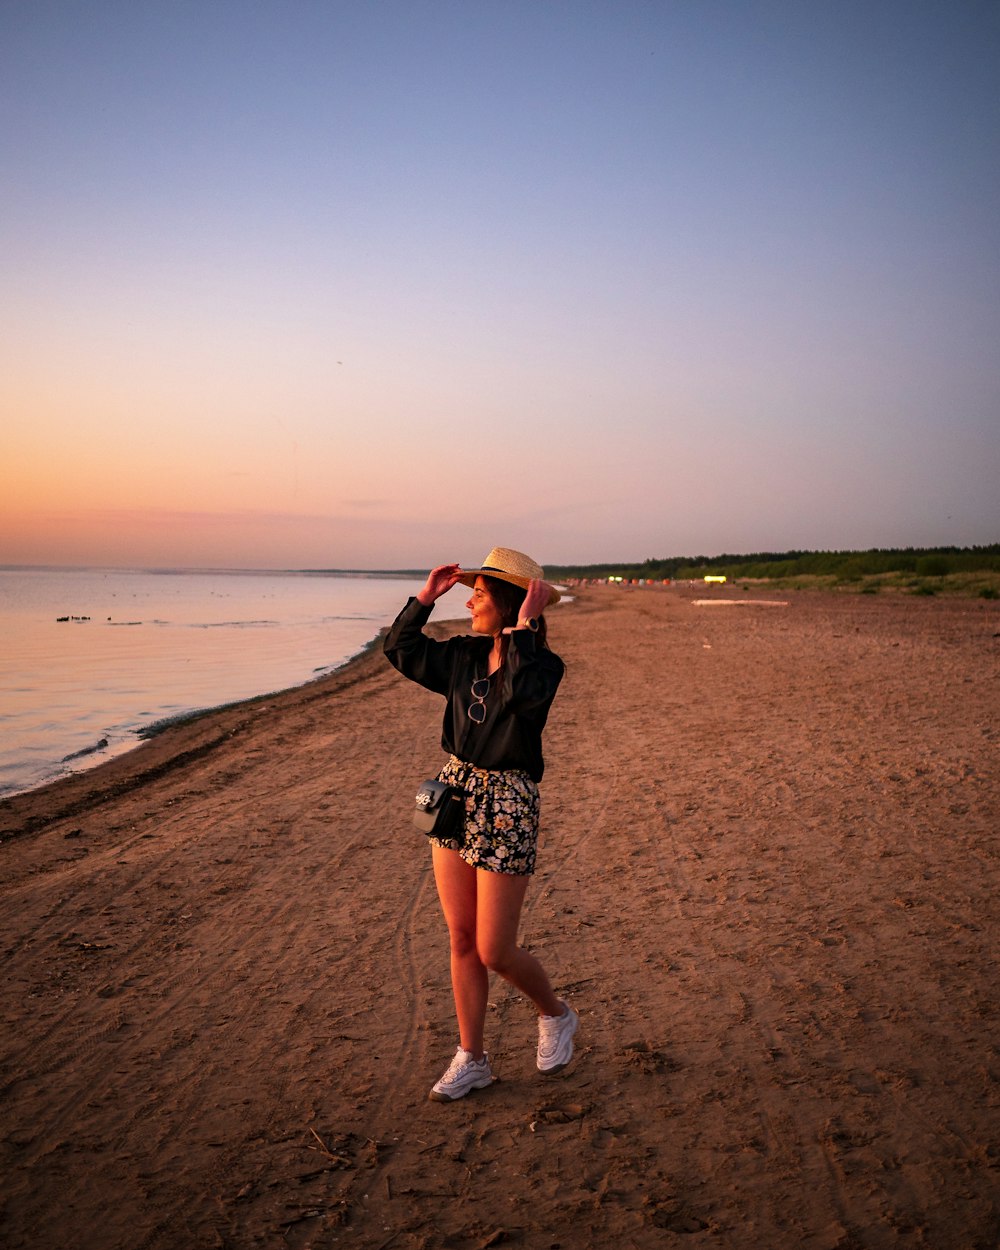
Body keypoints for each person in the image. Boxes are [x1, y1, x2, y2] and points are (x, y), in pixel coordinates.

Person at [384, 546, 578, 1102]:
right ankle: (472, 1057)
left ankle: (556, 1014)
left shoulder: (543, 665)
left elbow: (519, 694)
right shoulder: (463, 656)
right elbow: (399, 649)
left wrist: (523, 629)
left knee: (496, 949)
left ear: (515, 605)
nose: (469, 601)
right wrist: (425, 598)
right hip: (455, 792)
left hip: (509, 801)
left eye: (482, 594)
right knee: (462, 937)